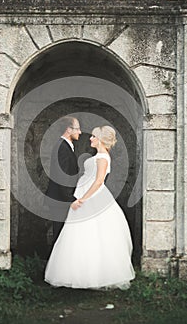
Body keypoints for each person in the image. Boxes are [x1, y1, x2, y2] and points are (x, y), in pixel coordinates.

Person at [44, 125, 135, 290]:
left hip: (92, 196)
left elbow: (99, 181)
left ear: (100, 139)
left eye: (93, 136)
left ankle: (92, 274)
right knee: (79, 233)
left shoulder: (102, 157)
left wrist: (83, 199)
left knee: (91, 233)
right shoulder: (99, 156)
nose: (90, 139)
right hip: (86, 192)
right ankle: (78, 272)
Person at [45, 116, 81, 245]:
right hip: (61, 199)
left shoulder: (64, 146)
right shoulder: (62, 148)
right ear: (69, 130)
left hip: (61, 198)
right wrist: (71, 199)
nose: (80, 132)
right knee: (60, 236)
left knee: (62, 236)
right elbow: (62, 177)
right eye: (77, 129)